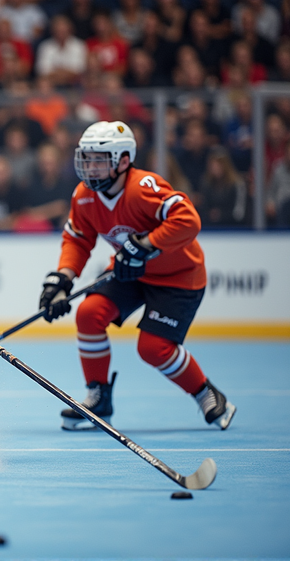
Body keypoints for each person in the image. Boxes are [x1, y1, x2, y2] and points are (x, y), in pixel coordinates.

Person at [37, 121, 236, 433]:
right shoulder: (83, 196)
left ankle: (204, 392)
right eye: (87, 159)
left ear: (124, 161)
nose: (90, 167)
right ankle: (99, 397)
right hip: (130, 271)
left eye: (99, 159)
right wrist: (63, 278)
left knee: (153, 348)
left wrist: (146, 244)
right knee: (89, 314)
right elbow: (78, 239)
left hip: (178, 276)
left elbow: (188, 220)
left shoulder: (144, 187)